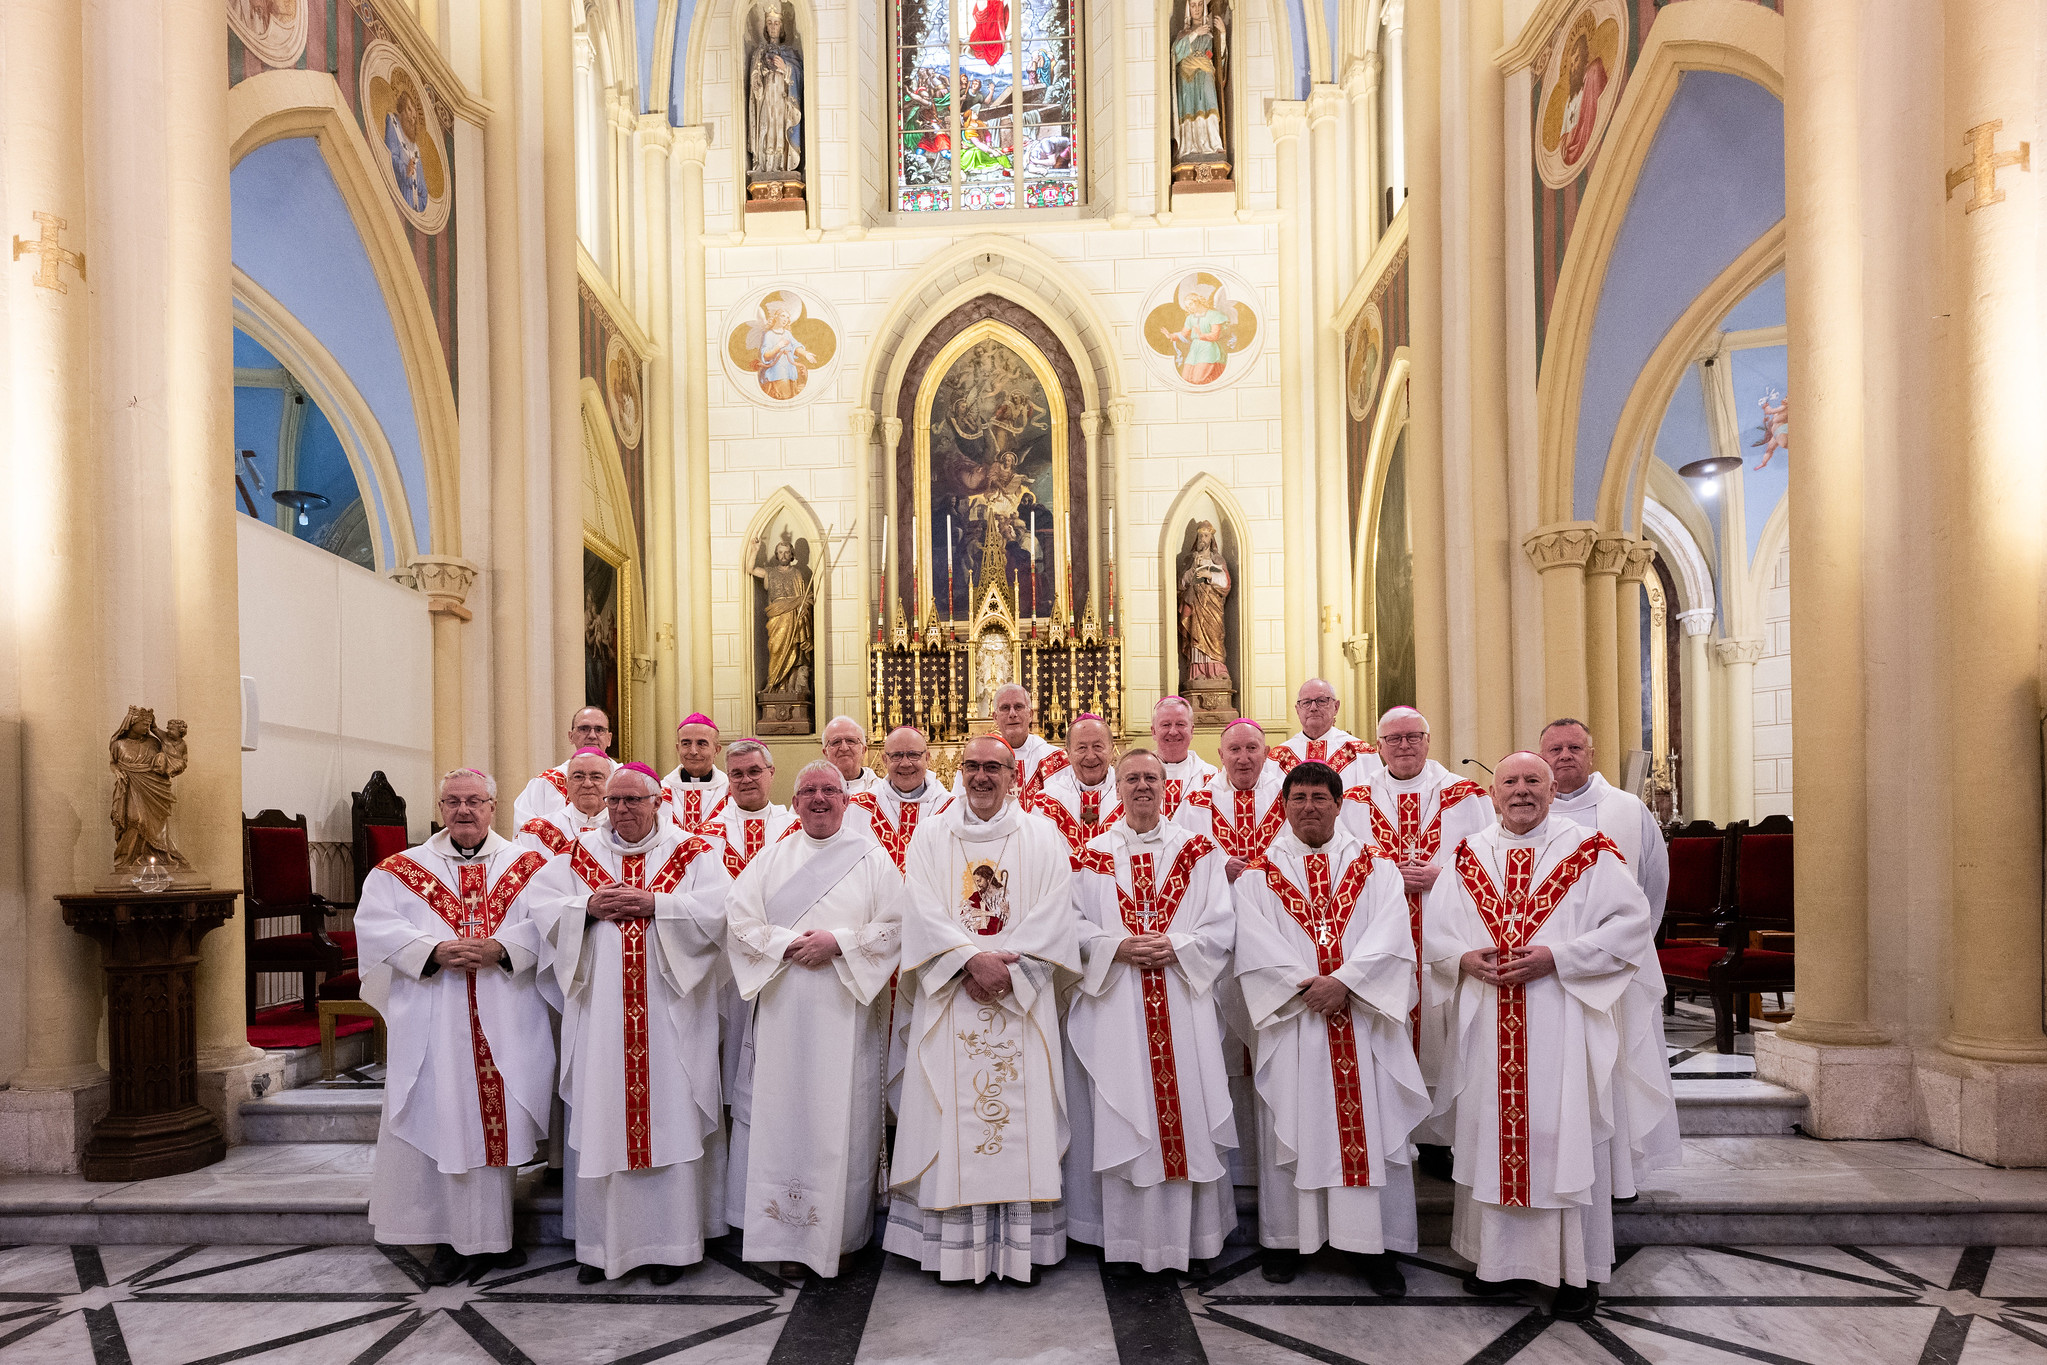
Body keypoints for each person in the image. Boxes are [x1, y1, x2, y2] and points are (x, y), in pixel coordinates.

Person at [1421, 751, 1672, 1321]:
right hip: (1488, 1023)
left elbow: (1630, 923)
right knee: (1490, 1136)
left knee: (1563, 1138)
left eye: (1533, 781)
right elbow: (1437, 932)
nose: (1521, 791)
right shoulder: (1467, 855)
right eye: (1510, 781)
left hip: (1562, 1020)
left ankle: (1574, 1272)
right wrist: (1463, 959)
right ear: (1493, 794)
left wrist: (1558, 957)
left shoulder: (1590, 852)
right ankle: (1496, 1264)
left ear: (1553, 790)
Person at [886, 733, 1081, 1284]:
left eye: (993, 767)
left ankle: (1022, 1250)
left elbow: (1056, 909)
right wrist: (970, 962)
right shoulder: (931, 835)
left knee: (1018, 1117)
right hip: (953, 995)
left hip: (1020, 998)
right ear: (960, 771)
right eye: (972, 765)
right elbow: (919, 907)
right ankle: (953, 1251)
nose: (981, 776)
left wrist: (1008, 972)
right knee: (950, 1114)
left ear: (1014, 776)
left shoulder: (1041, 835)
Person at [529, 764, 733, 1285]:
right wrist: (586, 905)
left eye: (633, 800)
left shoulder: (693, 852)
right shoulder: (580, 854)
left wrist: (656, 904)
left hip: (671, 1019)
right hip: (601, 1021)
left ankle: (671, 1247)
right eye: (614, 800)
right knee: (603, 1117)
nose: (621, 809)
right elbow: (542, 907)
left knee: (670, 1118)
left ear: (658, 802)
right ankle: (600, 1247)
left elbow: (719, 913)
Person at [1232, 762, 1429, 1292]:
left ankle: (1373, 1248)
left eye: (1320, 797)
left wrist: (1345, 982)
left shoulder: (1377, 868)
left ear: (1339, 805)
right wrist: (1308, 988)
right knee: (1294, 1123)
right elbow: (1253, 946)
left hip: (1362, 1023)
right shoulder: (1257, 876)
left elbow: (1393, 936)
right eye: (1298, 798)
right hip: (1295, 1023)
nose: (1309, 807)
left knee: (1371, 1128)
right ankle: (1287, 1240)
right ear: (1284, 805)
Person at [359, 769, 554, 1285]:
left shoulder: (531, 867)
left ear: (493, 807)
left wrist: (505, 947)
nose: (464, 810)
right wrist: (432, 950)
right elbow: (375, 926)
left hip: (506, 1016)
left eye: (474, 801)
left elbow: (553, 924)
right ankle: (446, 1238)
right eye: (453, 801)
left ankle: (493, 1238)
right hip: (434, 1020)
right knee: (439, 1117)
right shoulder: (399, 870)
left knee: (495, 1123)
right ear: (440, 807)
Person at [724, 762, 901, 1278]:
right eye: (809, 791)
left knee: (843, 1118)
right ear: (796, 801)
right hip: (783, 1009)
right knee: (783, 1120)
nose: (819, 799)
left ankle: (840, 1237)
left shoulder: (872, 859)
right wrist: (785, 945)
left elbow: (896, 924)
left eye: (829, 790)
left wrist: (839, 943)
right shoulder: (771, 858)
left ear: (847, 801)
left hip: (846, 1011)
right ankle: (785, 1236)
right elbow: (738, 921)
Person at [1065, 750, 1237, 1276]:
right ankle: (1124, 1242)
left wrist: (1179, 946)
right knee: (1125, 1113)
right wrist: (1115, 947)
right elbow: (1068, 925)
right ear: (1115, 789)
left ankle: (1195, 1240)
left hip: (1182, 1003)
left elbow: (1222, 925)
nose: (1142, 786)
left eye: (1150, 778)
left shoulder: (1199, 852)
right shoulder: (1090, 857)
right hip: (1117, 1005)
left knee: (1188, 1113)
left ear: (1167, 785)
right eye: (1131, 779)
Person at [1341, 707, 1492, 1175]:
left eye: (1413, 736)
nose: (1404, 745)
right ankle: (1389, 1132)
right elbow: (1340, 863)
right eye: (1394, 738)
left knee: (1441, 1034)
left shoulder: (1465, 795)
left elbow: (1493, 860)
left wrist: (1440, 874)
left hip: (1445, 940)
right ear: (1378, 746)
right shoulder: (1354, 799)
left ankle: (1440, 1140)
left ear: (1428, 740)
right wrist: (1390, 876)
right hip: (1379, 941)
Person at [1538, 718, 1680, 1192]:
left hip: (1616, 966)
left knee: (1616, 1069)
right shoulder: (1526, 811)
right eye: (1555, 749)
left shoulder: (1627, 810)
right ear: (1542, 757)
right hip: (1545, 973)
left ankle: (1619, 1177)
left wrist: (1624, 948)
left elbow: (1654, 883)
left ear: (1591, 754)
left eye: (1574, 747)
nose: (1565, 756)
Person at [1175, 715, 1289, 1185]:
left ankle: (1274, 1162)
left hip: (1279, 934)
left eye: (1252, 748)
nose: (1243, 758)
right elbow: (1179, 864)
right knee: (1222, 1044)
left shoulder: (1290, 796)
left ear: (1267, 753)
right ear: (1219, 755)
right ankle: (1234, 1164)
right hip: (1217, 937)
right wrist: (1216, 870)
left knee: (1274, 1039)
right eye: (1235, 750)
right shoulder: (1195, 803)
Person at [699, 740, 795, 880]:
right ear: (729, 779)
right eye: (737, 774)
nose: (746, 780)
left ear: (771, 772)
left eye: (754, 772)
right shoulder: (709, 834)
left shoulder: (794, 828)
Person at [1034, 714, 1122, 862]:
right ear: (1068, 754)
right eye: (1081, 748)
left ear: (1112, 750)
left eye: (1098, 747)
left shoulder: (1130, 796)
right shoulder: (1046, 803)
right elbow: (1040, 859)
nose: (1090, 756)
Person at [954, 683, 1061, 803]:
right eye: (1005, 708)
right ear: (995, 717)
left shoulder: (1056, 759)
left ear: (1030, 714)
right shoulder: (975, 760)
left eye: (1019, 707)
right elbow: (959, 805)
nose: (1012, 714)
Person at [511, 707, 614, 828]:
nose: (592, 735)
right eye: (584, 729)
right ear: (571, 736)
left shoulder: (626, 778)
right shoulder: (545, 783)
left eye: (599, 729)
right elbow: (526, 830)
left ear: (609, 739)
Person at [1271, 679, 1381, 787]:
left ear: (1336, 707)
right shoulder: (1277, 757)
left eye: (1321, 701)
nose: (1313, 708)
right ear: (1297, 710)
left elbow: (1377, 795)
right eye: (1306, 702)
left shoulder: (1361, 753)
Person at [517, 748, 612, 855]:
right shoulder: (536, 832)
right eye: (578, 777)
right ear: (567, 784)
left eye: (596, 777)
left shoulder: (623, 830)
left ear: (611, 784)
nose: (587, 784)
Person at [1150, 695, 1218, 820]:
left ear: (1192, 730)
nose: (1173, 732)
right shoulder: (1137, 776)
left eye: (1180, 724)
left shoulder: (1211, 777)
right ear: (1153, 731)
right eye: (1166, 725)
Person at [662, 713, 729, 830]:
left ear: (716, 750)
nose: (693, 751)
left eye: (701, 744)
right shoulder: (660, 792)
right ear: (678, 748)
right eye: (686, 744)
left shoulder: (730, 792)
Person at [821, 715, 881, 797]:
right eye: (836, 742)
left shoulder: (882, 790)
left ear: (863, 750)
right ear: (825, 753)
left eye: (851, 741)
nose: (844, 748)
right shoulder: (812, 792)